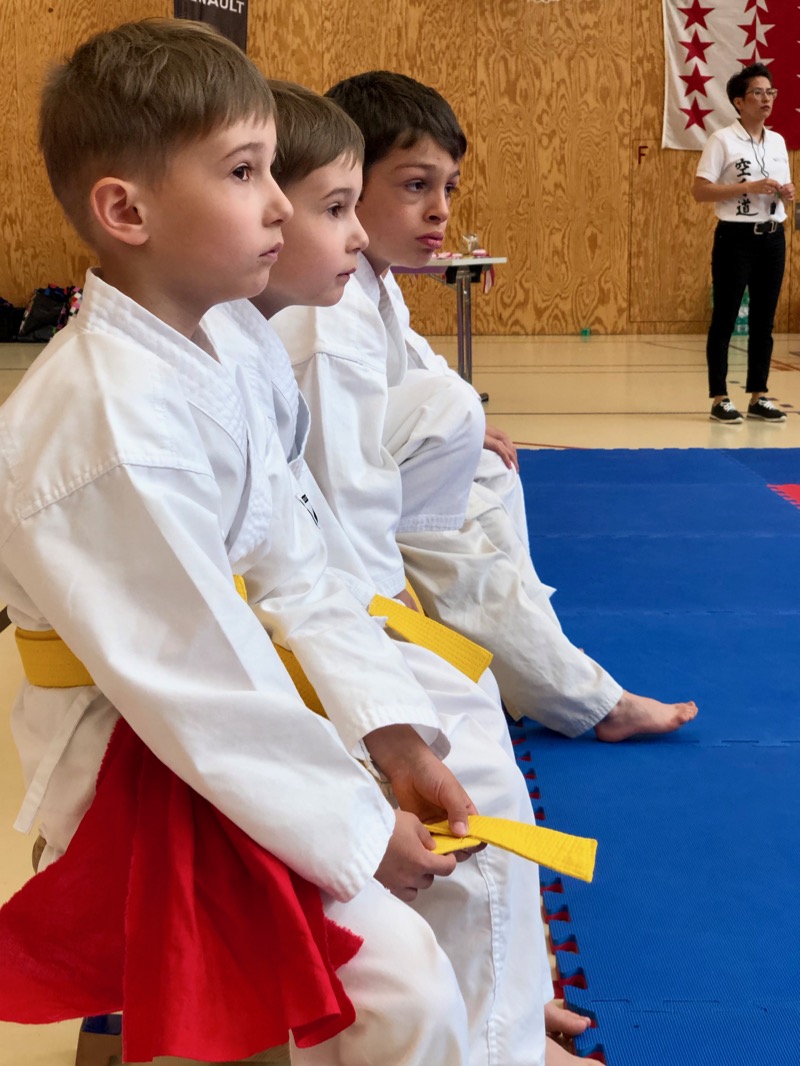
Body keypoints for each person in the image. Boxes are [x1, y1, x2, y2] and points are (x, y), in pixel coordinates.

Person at [0, 21, 491, 1066]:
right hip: (140, 756)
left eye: (273, 168)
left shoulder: (226, 336)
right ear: (126, 211)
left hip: (216, 715)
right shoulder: (107, 425)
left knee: (457, 813)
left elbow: (295, 565)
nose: (278, 204)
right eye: (242, 172)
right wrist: (355, 829)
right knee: (397, 979)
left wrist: (390, 737)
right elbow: (199, 683)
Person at [203, 78, 590, 1066]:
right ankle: (498, 1034)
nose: (296, 221)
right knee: (479, 783)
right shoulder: (301, 334)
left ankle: (506, 1002)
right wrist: (379, 707)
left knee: (474, 727)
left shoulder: (291, 323)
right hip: (253, 666)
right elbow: (219, 619)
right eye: (329, 205)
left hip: (321, 613)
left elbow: (304, 544)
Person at [271, 70, 698, 743]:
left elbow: (418, 364)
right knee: (460, 539)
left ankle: (540, 662)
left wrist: (468, 430)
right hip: (326, 517)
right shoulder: (327, 317)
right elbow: (338, 487)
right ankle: (587, 698)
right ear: (348, 185)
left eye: (449, 189)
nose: (440, 210)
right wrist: (384, 607)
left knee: (488, 463)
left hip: (371, 474)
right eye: (416, 186)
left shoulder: (370, 282)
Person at [693, 62, 795, 424]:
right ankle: (720, 397)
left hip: (772, 238)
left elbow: (781, 191)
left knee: (764, 322)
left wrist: (787, 193)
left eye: (771, 92)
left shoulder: (778, 141)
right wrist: (747, 187)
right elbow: (700, 191)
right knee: (724, 317)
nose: (766, 99)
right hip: (735, 238)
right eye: (758, 92)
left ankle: (758, 395)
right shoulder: (722, 140)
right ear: (739, 101)